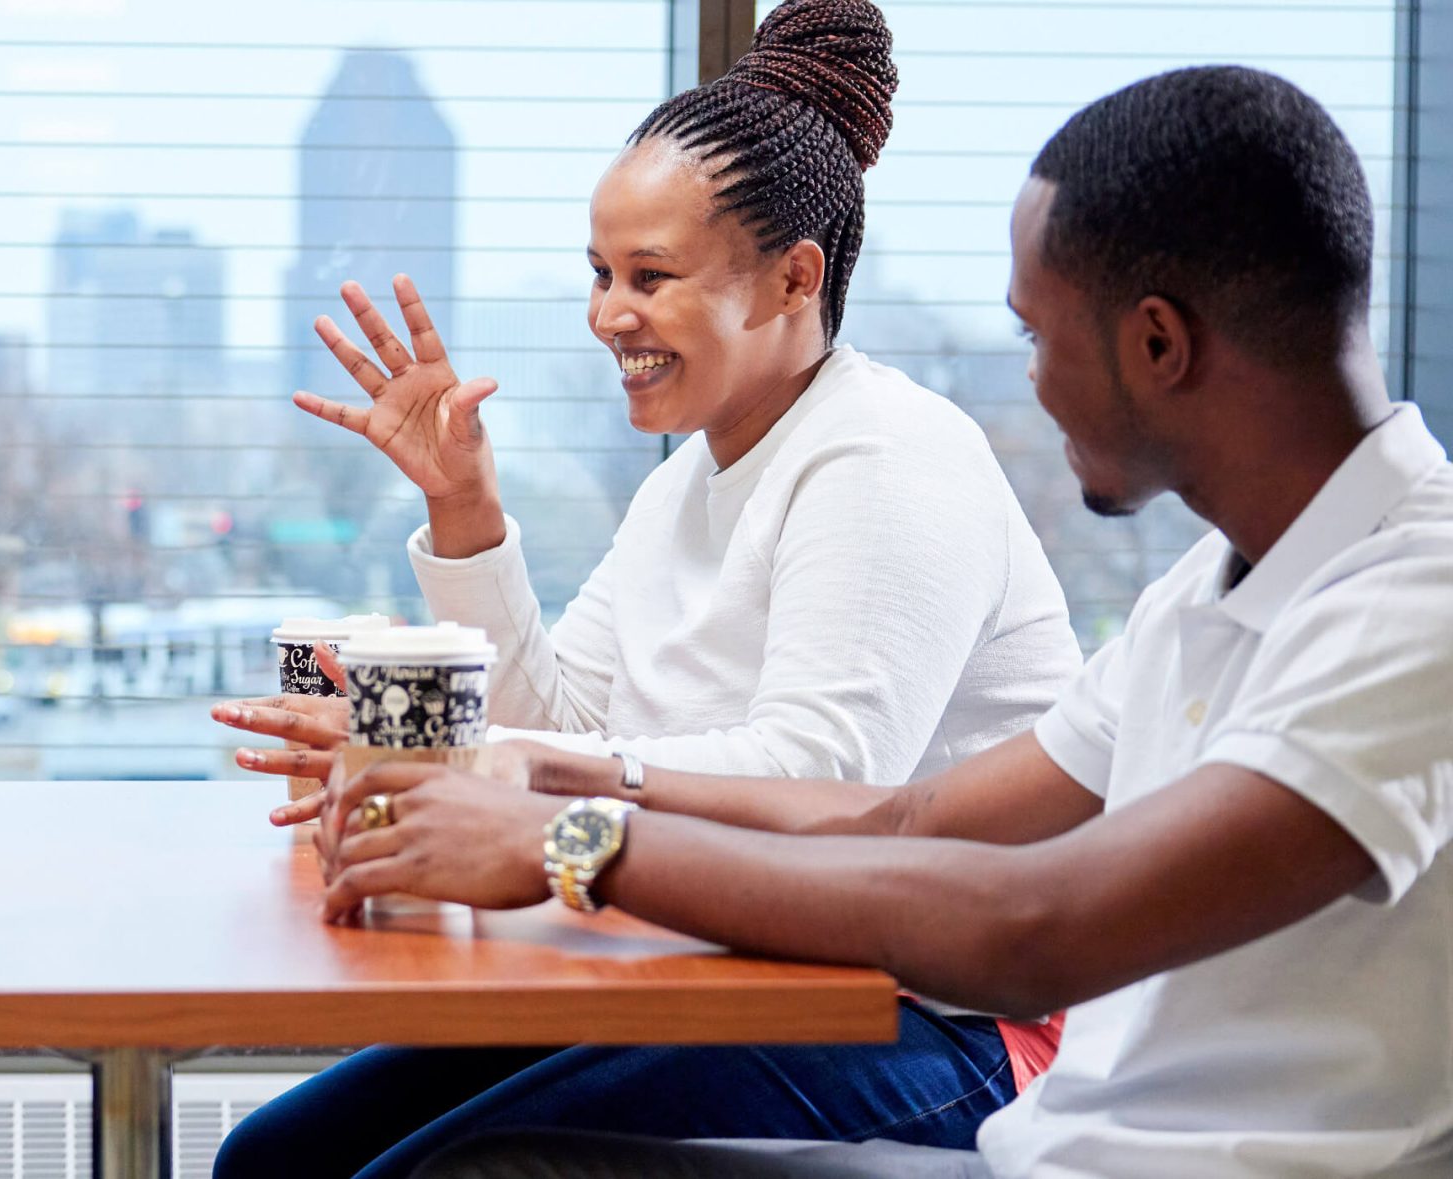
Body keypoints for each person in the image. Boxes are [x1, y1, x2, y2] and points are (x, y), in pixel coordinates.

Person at [320, 65, 1453, 1179]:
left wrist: (568, 837)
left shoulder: (1417, 603)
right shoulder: (1209, 590)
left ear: (1157, 344)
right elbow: (905, 818)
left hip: (1001, 1064)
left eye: (1035, 337)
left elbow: (1033, 926)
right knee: (302, 1152)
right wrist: (529, 779)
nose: (1033, 387)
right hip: (1051, 1138)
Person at [211, 4, 1081, 1175]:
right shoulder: (689, 484)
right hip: (732, 966)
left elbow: (826, 783)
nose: (606, 315)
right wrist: (463, 508)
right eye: (599, 274)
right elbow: (562, 726)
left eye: (650, 276)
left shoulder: (883, 457)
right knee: (281, 1158)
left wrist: (538, 779)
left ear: (792, 279)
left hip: (945, 1021)